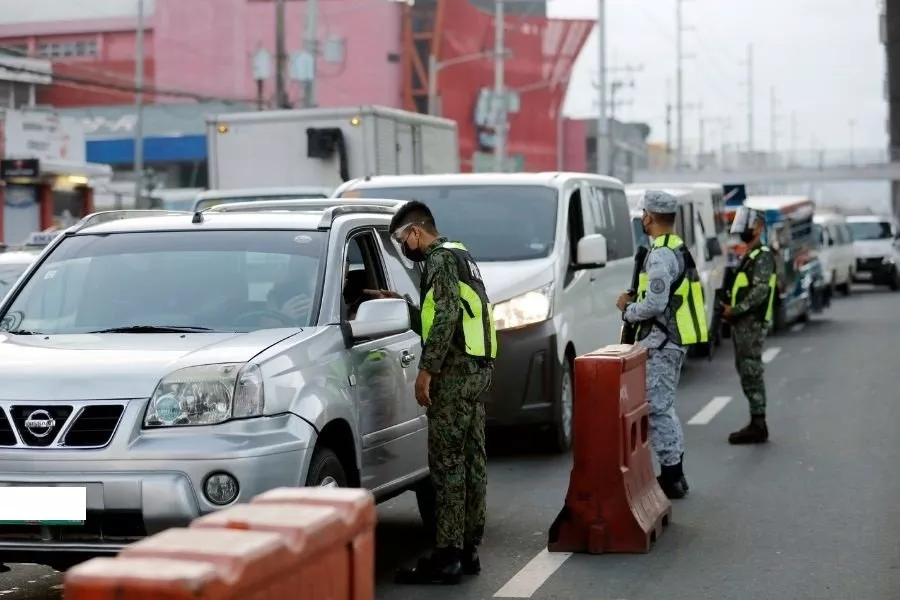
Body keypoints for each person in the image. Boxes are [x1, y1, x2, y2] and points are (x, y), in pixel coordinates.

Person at [365, 200, 496, 585]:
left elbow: (445, 317)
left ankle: (448, 555)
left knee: (447, 464)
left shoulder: (438, 260)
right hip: (476, 370)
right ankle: (469, 549)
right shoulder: (462, 255)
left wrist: (426, 371)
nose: (404, 247)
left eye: (402, 239)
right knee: (472, 460)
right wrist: (401, 305)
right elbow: (440, 312)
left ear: (416, 232)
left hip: (453, 375)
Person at [616, 190, 706, 500]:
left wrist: (627, 310)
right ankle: (674, 473)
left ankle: (671, 476)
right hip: (668, 339)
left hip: (662, 340)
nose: (642, 217)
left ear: (649, 216)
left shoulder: (661, 254)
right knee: (662, 407)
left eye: (643, 213)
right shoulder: (674, 247)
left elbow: (655, 302)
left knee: (657, 409)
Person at [719, 206, 777, 445]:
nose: (744, 228)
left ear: (759, 228)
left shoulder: (762, 255)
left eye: (749, 223)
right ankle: (756, 420)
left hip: (751, 322)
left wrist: (737, 309)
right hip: (742, 322)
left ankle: (758, 423)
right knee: (744, 368)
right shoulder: (750, 254)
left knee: (751, 369)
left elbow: (761, 290)